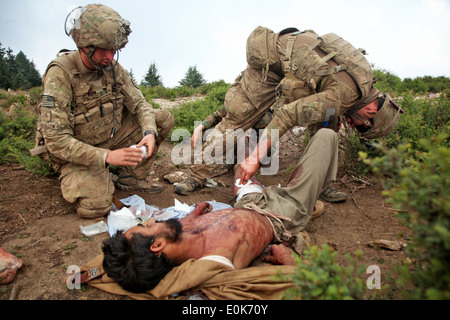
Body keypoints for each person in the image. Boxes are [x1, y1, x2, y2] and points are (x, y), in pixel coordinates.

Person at [175, 26, 402, 202]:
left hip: (296, 66)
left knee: (328, 126)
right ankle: (196, 175)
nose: (353, 125)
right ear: (372, 110)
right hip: (271, 64)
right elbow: (285, 115)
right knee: (239, 118)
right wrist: (254, 159)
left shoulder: (364, 80)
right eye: (360, 124)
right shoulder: (346, 94)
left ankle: (320, 184)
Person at [102, 127, 340, 293]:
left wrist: (195, 214)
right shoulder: (217, 261)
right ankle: (311, 195)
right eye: (145, 225)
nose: (150, 221)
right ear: (157, 246)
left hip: (247, 201)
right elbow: (303, 285)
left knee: (245, 142)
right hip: (280, 213)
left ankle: (291, 187)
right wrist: (286, 258)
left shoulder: (175, 235)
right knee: (326, 136)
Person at [31, 4, 174, 219]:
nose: (110, 55)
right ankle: (85, 176)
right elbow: (57, 141)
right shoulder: (61, 73)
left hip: (109, 139)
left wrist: (149, 133)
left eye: (114, 49)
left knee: (161, 119)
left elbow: (140, 105)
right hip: (77, 153)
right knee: (96, 207)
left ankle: (129, 177)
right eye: (103, 49)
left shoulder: (112, 68)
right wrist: (107, 157)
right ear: (85, 45)